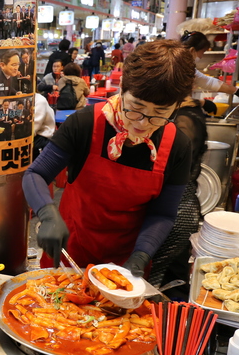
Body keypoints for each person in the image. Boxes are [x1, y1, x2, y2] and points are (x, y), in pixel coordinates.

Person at [23, 40, 195, 273]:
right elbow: (36, 173)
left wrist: (142, 254)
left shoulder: (177, 146)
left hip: (125, 265)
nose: (143, 124)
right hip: (70, 255)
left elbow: (162, 213)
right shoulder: (85, 123)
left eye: (160, 113)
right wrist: (47, 213)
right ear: (122, 87)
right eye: (136, 107)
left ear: (177, 106)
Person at [148, 98, 208, 289]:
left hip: (176, 213)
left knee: (164, 281)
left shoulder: (182, 121)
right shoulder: (188, 113)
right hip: (180, 208)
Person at [181, 31, 239, 97]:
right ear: (192, 50)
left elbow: (208, 82)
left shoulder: (187, 68)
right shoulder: (178, 67)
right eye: (202, 52)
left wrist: (238, 92)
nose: (201, 57)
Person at [32, 93, 56, 161]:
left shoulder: (39, 100)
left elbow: (34, 129)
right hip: (32, 137)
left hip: (41, 137)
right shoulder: (20, 99)